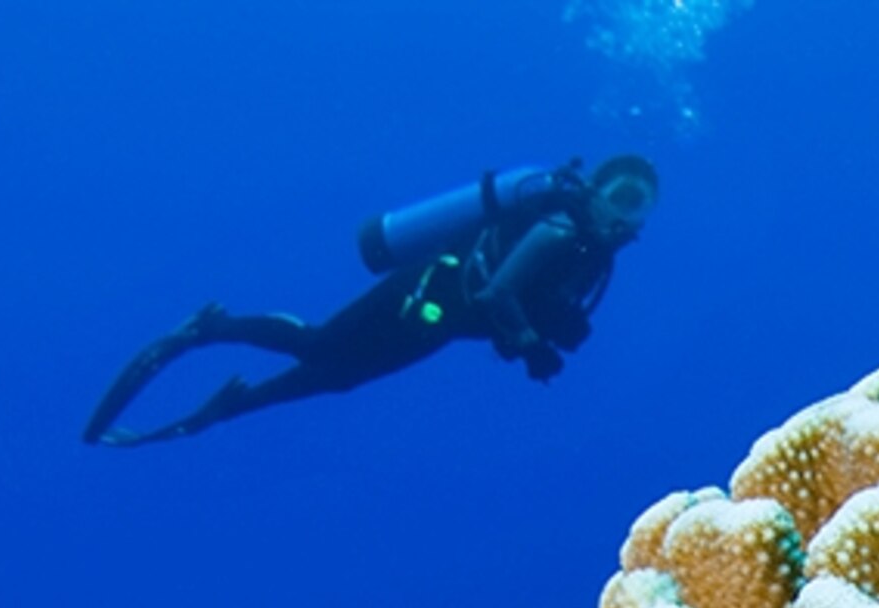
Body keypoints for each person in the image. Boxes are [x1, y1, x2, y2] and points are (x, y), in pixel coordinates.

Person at [84, 155, 657, 447]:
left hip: (442, 323)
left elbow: (521, 303)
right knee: (321, 346)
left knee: (338, 378)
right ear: (598, 191)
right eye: (625, 197)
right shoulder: (559, 230)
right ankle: (212, 327)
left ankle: (232, 406)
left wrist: (547, 331)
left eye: (641, 207)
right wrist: (532, 345)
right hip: (426, 294)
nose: (629, 215)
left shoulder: (594, 258)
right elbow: (498, 290)